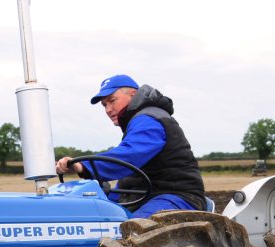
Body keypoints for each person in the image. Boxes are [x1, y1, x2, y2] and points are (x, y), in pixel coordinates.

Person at [55, 74, 206, 218]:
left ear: (133, 94)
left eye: (112, 101)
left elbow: (130, 155)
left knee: (132, 230)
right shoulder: (136, 122)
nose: (108, 109)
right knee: (94, 212)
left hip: (176, 196)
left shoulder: (150, 119)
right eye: (104, 105)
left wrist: (84, 165)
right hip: (145, 194)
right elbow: (131, 175)